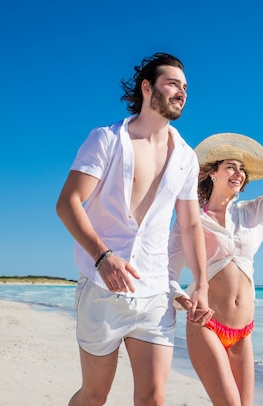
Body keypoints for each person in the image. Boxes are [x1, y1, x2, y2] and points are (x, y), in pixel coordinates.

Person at [56, 52, 213, 406]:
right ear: (147, 87)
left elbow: (189, 224)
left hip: (155, 291)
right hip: (101, 288)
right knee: (95, 394)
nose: (182, 92)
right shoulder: (106, 139)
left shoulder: (186, 157)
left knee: (154, 398)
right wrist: (102, 257)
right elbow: (67, 203)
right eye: (173, 83)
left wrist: (201, 282)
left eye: (185, 87)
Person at [168, 133, 263, 406]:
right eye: (231, 166)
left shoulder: (252, 212)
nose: (239, 173)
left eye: (242, 169)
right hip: (206, 324)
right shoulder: (191, 218)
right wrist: (184, 300)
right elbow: (168, 272)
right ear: (212, 173)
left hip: (244, 331)